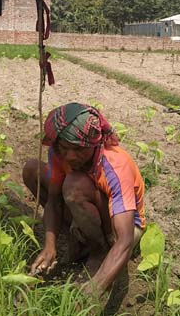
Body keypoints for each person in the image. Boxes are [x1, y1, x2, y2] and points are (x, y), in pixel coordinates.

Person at [23, 102, 145, 299]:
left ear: (93, 144)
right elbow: (53, 200)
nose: (70, 155)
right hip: (88, 205)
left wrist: (94, 289)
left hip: (123, 226)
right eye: (64, 147)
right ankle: (80, 237)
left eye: (79, 149)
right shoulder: (58, 152)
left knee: (74, 186)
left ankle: (99, 252)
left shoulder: (115, 164)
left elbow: (125, 239)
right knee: (32, 169)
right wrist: (50, 245)